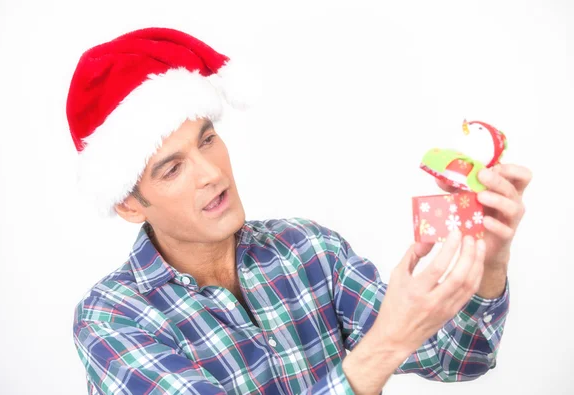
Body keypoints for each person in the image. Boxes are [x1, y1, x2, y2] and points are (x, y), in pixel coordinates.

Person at [68, 27, 531, 395]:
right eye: (172, 170)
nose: (211, 172)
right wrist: (385, 343)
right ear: (128, 204)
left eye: (208, 140)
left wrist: (489, 257)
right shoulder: (113, 320)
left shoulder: (307, 250)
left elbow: (461, 358)